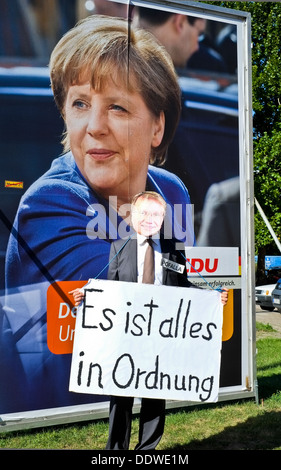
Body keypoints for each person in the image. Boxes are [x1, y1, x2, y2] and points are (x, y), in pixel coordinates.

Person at [2, 15, 194, 413]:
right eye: (80, 104)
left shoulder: (171, 191)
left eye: (118, 108)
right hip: (68, 420)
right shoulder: (48, 204)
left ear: (157, 127)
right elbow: (137, 299)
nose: (94, 126)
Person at [72, 191, 228, 450]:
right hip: (127, 335)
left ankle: (147, 450)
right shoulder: (119, 246)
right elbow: (111, 289)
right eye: (143, 213)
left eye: (156, 214)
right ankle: (116, 451)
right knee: (120, 396)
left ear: (163, 218)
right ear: (132, 217)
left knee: (155, 395)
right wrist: (87, 297)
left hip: (159, 337)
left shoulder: (173, 250)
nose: (149, 219)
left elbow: (183, 285)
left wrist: (211, 298)